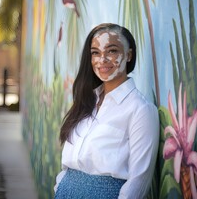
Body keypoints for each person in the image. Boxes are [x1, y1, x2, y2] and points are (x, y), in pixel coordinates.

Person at [54, 23, 159, 199]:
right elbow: (69, 162)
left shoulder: (141, 110)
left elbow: (138, 182)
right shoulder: (86, 101)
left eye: (111, 51)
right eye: (95, 52)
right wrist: (60, 187)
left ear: (129, 55)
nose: (102, 59)